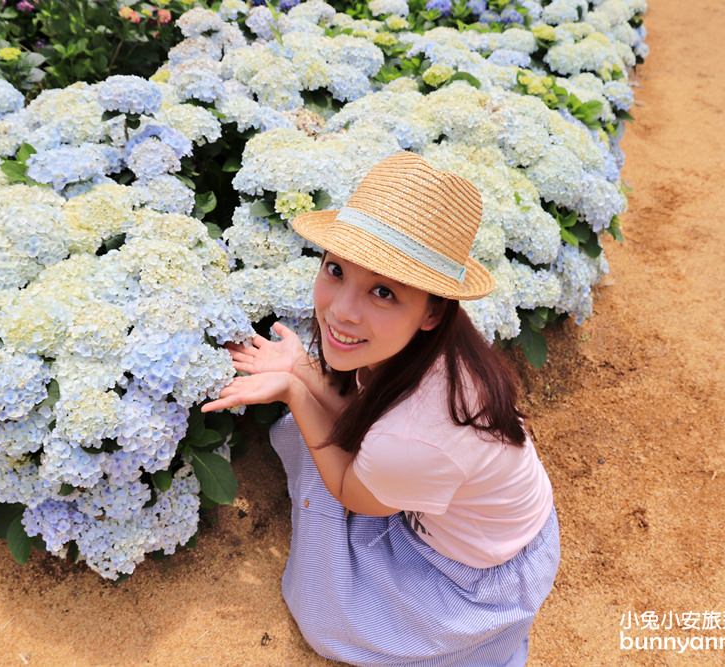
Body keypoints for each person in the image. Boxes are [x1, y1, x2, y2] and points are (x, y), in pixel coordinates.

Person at [200, 151, 560, 666]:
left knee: (327, 618)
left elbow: (353, 493)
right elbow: (363, 408)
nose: (342, 310)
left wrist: (296, 393)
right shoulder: (435, 351)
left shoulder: (415, 434)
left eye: (384, 292)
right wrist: (301, 367)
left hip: (475, 582)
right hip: (496, 521)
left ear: (433, 310)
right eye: (335, 269)